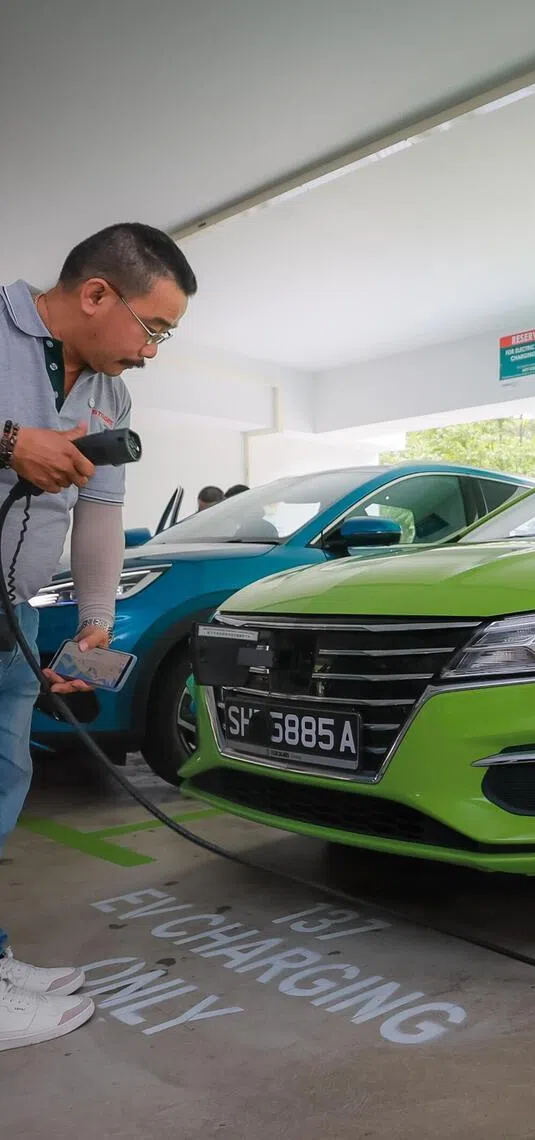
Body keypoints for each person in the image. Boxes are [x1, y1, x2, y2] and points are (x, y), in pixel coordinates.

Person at [0, 223, 195, 1051]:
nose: (151, 352)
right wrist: (9, 443)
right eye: (152, 329)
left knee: (5, 783)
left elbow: (101, 513)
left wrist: (95, 621)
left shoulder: (111, 396)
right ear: (94, 294)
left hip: (14, 615)